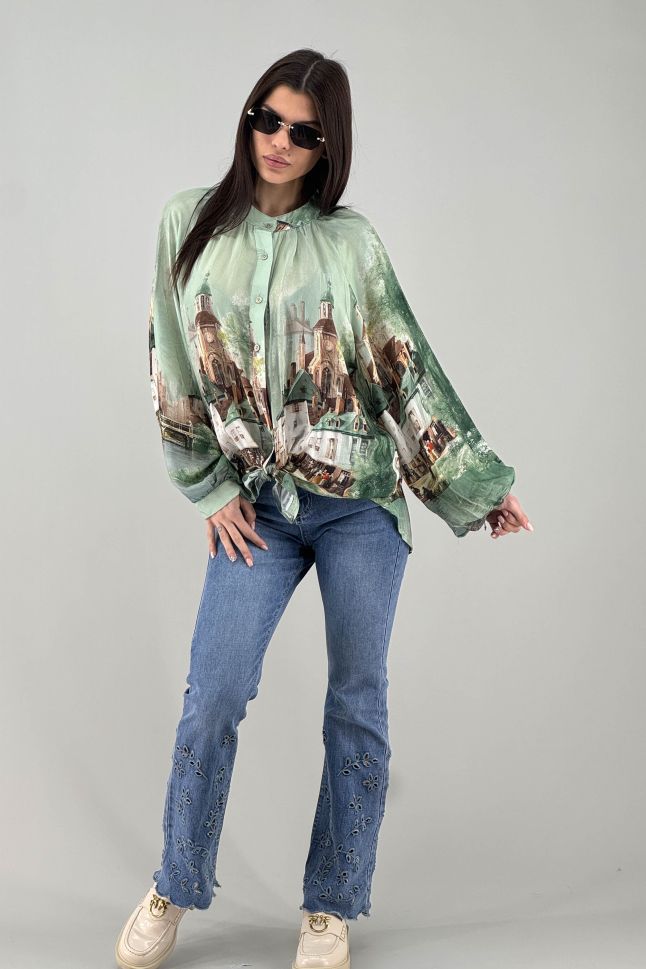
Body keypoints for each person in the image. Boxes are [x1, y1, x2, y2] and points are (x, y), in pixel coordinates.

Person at [115, 47, 532, 969]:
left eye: (303, 133)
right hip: (258, 509)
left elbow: (402, 367)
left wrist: (476, 488)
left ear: (327, 147)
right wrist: (209, 485)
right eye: (268, 119)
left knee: (357, 698)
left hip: (359, 505)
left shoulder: (351, 242)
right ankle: (175, 880)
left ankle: (330, 904)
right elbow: (170, 359)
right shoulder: (188, 222)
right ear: (248, 118)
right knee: (215, 692)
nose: (279, 141)